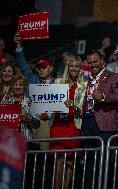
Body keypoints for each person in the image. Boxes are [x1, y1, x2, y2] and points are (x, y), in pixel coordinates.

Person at [49, 55, 86, 189]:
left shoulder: (84, 85)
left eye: (77, 66)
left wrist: (74, 105)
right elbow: (48, 101)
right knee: (59, 160)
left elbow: (83, 109)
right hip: (58, 125)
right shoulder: (58, 82)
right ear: (67, 67)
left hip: (73, 125)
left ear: (80, 68)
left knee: (70, 160)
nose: (74, 68)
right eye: (71, 66)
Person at [14, 32, 55, 150]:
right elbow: (22, 64)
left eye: (44, 67)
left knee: (43, 154)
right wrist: (18, 45)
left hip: (46, 124)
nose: (41, 70)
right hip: (28, 123)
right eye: (39, 68)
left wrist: (49, 114)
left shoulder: (58, 83)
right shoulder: (32, 79)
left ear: (51, 68)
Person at [81, 50, 118, 144]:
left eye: (95, 61)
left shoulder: (114, 77)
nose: (93, 65)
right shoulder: (85, 80)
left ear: (102, 61)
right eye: (90, 63)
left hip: (106, 123)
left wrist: (103, 97)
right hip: (87, 122)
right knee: (89, 156)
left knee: (104, 156)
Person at [6, 74, 40, 140]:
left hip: (26, 141)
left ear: (24, 87)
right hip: (10, 142)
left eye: (21, 85)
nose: (18, 87)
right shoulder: (6, 102)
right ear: (12, 86)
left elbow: (37, 124)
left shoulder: (31, 102)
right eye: (15, 84)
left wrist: (28, 119)